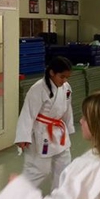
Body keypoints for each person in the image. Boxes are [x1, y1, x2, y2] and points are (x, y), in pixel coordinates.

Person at [15, 56, 75, 190]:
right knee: (39, 169)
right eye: (62, 76)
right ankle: (18, 196)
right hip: (42, 132)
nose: (64, 80)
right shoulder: (38, 88)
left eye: (67, 77)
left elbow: (67, 107)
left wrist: (69, 126)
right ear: (51, 72)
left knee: (64, 166)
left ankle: (59, 197)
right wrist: (23, 136)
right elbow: (28, 113)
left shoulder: (66, 87)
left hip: (59, 131)